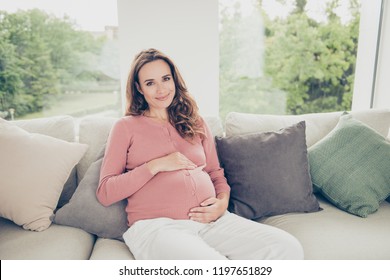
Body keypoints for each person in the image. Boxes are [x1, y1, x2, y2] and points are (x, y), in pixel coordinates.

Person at [96, 48, 304, 260]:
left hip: (213, 223)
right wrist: (155, 165)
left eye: (165, 79)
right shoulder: (125, 127)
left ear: (175, 80)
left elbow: (215, 173)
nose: (161, 89)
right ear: (139, 88)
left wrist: (222, 202)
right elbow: (106, 192)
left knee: (286, 247)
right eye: (150, 83)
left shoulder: (195, 122)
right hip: (158, 228)